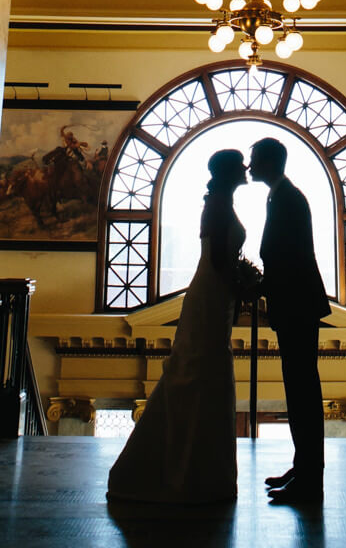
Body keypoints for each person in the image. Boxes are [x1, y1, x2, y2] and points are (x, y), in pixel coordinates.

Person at [107, 148, 247, 506]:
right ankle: (192, 473)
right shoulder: (217, 206)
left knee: (199, 372)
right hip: (213, 293)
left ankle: (193, 469)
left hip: (215, 293)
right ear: (231, 173)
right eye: (240, 166)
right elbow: (219, 262)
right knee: (199, 372)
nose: (245, 169)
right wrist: (245, 283)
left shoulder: (218, 203)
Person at [250, 136, 331, 508]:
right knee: (299, 391)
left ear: (270, 162)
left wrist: (260, 285)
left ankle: (310, 480)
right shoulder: (281, 196)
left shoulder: (287, 199)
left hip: (296, 304)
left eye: (255, 160)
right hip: (296, 303)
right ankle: (303, 469)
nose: (250, 167)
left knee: (302, 393)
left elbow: (289, 257)